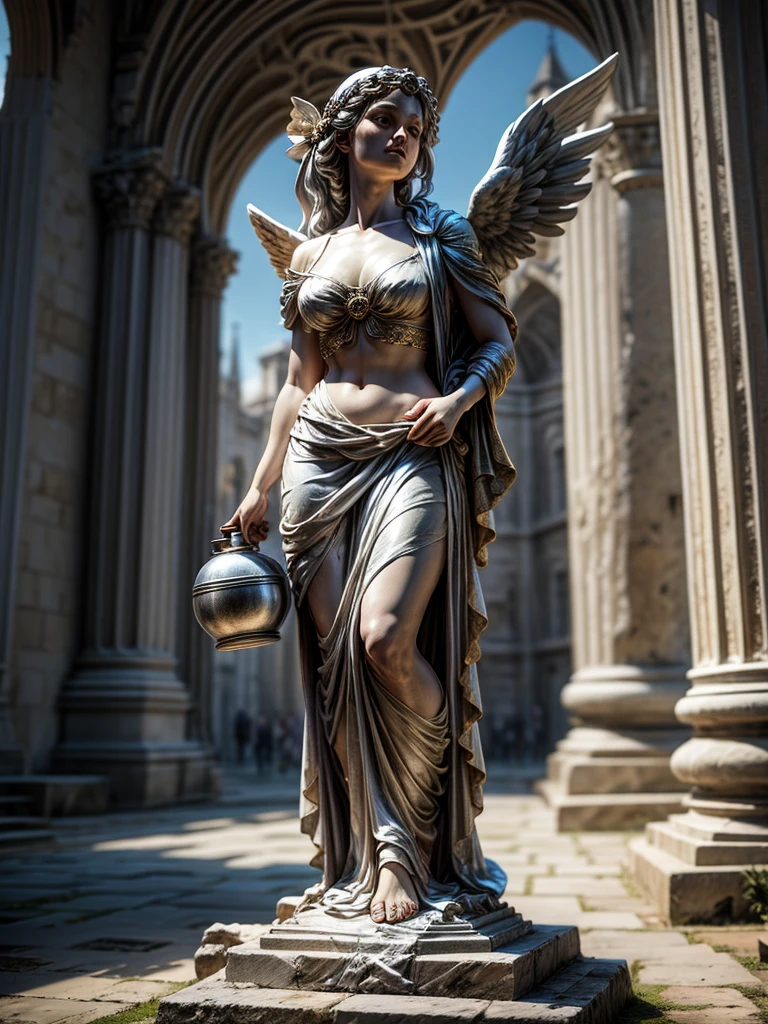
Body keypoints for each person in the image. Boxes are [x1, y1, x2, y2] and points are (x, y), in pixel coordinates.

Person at [224, 61, 615, 926]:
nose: (403, 134)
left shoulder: (443, 238)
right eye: (386, 119)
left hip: (413, 451)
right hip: (318, 465)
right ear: (342, 134)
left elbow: (494, 342)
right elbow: (298, 384)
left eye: (416, 126)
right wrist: (259, 487)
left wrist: (457, 400)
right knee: (336, 678)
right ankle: (367, 856)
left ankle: (418, 843)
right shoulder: (315, 251)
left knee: (385, 641)